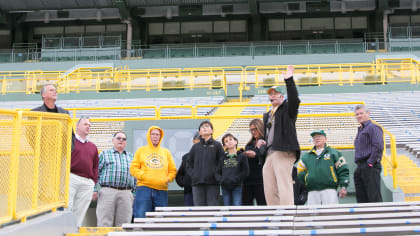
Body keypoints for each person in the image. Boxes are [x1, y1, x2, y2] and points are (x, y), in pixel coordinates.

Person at [258, 65, 301, 205]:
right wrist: (262, 141)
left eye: (275, 93)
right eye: (270, 94)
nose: (272, 96)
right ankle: (275, 216)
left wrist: (289, 80)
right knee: (269, 188)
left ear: (283, 97)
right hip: (270, 153)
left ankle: (288, 215)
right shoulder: (268, 115)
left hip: (283, 150)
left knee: (284, 183)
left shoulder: (287, 109)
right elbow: (270, 133)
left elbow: (294, 99)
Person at [130, 126, 177, 218]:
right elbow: (133, 168)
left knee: (161, 217)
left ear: (160, 137)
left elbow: (172, 170)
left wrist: (167, 179)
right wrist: (144, 176)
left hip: (161, 189)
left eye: (157, 134)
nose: (155, 136)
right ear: (149, 136)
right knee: (141, 215)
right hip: (144, 188)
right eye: (153, 134)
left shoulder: (166, 152)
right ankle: (140, 232)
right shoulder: (141, 151)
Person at [297, 129, 349, 205]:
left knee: (330, 214)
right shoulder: (306, 156)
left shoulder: (334, 153)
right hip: (312, 192)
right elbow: (300, 172)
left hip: (329, 190)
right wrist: (306, 183)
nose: (317, 138)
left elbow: (343, 170)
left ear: (325, 139)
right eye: (314, 137)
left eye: (319, 136)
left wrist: (343, 186)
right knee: (313, 215)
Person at [96, 131, 136, 227]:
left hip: (126, 193)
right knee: (104, 222)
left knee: (124, 224)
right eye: (118, 138)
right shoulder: (104, 154)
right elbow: (95, 171)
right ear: (113, 140)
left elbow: (136, 177)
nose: (121, 140)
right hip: (107, 191)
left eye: (124, 139)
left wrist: (134, 193)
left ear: (126, 142)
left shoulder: (132, 157)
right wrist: (94, 189)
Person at [68, 117, 99, 226]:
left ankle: (75, 232)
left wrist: (92, 182)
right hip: (71, 178)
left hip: (87, 182)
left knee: (80, 212)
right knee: (67, 208)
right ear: (77, 126)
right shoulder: (69, 142)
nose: (88, 126)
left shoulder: (93, 147)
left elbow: (96, 166)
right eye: (85, 124)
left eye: (89, 125)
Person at [186, 121, 224, 206]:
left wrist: (216, 175)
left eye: (207, 126)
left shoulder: (217, 145)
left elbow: (221, 162)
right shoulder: (195, 147)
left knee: (212, 209)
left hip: (213, 183)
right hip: (197, 184)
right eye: (202, 127)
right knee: (199, 212)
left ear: (212, 131)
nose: (205, 128)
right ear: (199, 132)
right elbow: (189, 164)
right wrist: (194, 175)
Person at [354, 104, 384, 203]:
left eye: (361, 113)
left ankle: (377, 218)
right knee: (362, 198)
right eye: (357, 114)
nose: (359, 116)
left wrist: (370, 163)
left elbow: (378, 146)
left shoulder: (373, 127)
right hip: (360, 166)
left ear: (368, 113)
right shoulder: (360, 130)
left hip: (370, 165)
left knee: (373, 196)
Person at [219, 133, 249, 206]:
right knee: (227, 206)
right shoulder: (222, 158)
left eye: (230, 139)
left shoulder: (242, 156)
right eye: (226, 141)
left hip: (237, 186)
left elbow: (245, 172)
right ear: (224, 146)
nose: (229, 142)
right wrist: (222, 180)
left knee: (237, 205)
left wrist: (236, 179)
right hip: (225, 186)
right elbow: (217, 172)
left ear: (235, 141)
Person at [242, 119, 266, 205]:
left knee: (263, 206)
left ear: (260, 128)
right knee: (246, 206)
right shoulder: (249, 144)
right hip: (248, 180)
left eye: (255, 129)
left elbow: (265, 156)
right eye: (251, 130)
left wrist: (256, 154)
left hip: (261, 180)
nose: (253, 132)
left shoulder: (266, 142)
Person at [175, 132, 200, 206]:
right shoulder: (186, 157)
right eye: (197, 139)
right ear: (193, 141)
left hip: (203, 192)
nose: (199, 141)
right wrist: (185, 183)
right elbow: (179, 174)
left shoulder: (209, 156)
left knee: (203, 215)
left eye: (201, 139)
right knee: (190, 215)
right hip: (189, 192)